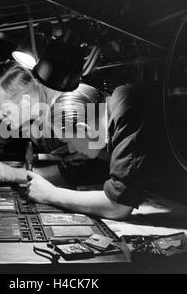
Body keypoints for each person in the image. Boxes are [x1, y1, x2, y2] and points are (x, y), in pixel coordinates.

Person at [26, 82, 172, 220]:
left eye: (69, 141)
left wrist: (49, 193)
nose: (70, 149)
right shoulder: (117, 104)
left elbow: (118, 207)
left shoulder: (128, 111)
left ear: (84, 129)